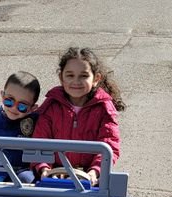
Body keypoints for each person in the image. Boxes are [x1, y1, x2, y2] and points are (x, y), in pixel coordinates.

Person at [32, 47, 125, 186]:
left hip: (89, 174)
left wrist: (95, 171)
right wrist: (43, 168)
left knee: (111, 192)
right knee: (27, 187)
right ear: (61, 78)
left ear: (96, 79)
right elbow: (39, 140)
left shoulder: (104, 108)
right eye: (70, 75)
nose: (76, 81)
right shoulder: (52, 106)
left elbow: (109, 143)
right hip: (55, 172)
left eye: (83, 76)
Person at [0, 71, 40, 183]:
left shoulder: (33, 121)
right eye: (9, 101)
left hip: (21, 171)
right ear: (2, 95)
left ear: (33, 108)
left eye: (22, 106)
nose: (14, 108)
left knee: (29, 181)